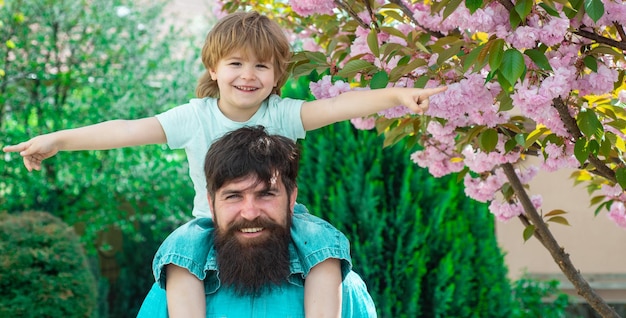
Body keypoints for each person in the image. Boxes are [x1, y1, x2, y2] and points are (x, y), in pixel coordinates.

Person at [2, 11, 446, 318]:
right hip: (210, 222)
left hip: (283, 219)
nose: (247, 75)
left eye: (261, 66)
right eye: (235, 63)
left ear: (277, 76)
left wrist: (396, 97)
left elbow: (342, 106)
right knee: (179, 259)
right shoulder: (193, 116)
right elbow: (125, 129)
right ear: (214, 68)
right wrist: (57, 139)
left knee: (327, 251)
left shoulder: (283, 114)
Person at [137, 125, 377, 317]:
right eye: (233, 196)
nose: (249, 212)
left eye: (266, 194)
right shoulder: (172, 291)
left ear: (291, 199)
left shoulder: (342, 291)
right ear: (211, 204)